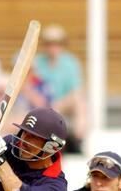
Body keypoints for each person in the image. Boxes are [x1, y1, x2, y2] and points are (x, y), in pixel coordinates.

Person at [35, 24, 86, 154]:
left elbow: (75, 90)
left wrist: (58, 104)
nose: (53, 47)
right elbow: (33, 86)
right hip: (42, 104)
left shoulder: (70, 62)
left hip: (61, 103)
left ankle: (78, 139)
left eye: (57, 44)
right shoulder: (37, 62)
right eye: (50, 44)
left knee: (80, 102)